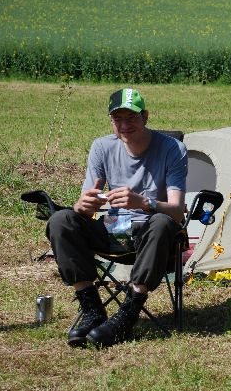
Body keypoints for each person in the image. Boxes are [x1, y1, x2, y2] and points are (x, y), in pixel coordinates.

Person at [46, 88, 188, 347]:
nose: (124, 125)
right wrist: (81, 206)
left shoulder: (172, 149)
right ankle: (92, 310)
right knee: (61, 220)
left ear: (145, 117)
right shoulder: (102, 147)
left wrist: (144, 202)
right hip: (113, 229)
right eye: (117, 119)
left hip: (152, 234)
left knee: (161, 222)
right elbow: (88, 208)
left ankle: (127, 315)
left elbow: (178, 210)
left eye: (131, 118)